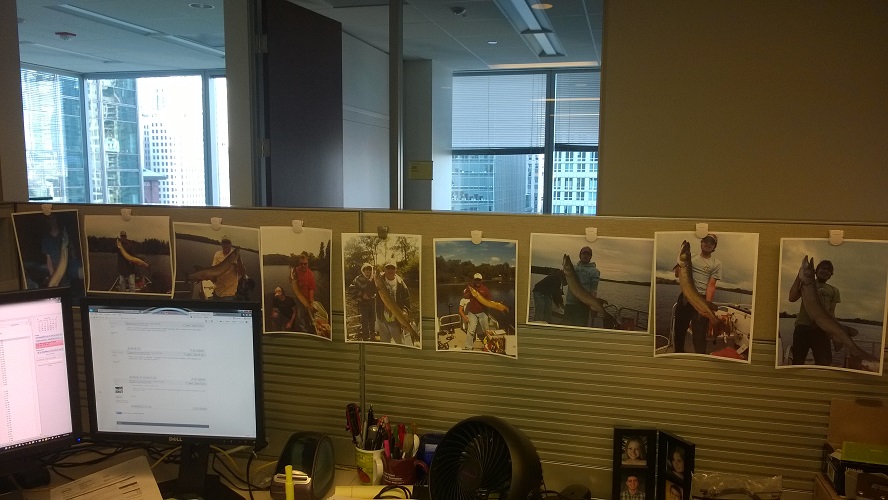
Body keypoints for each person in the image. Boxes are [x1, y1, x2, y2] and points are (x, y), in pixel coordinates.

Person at [672, 234, 722, 354]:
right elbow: (677, 275)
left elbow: (711, 285)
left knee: (699, 337)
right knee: (679, 330)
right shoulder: (691, 258)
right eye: (706, 241)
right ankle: (678, 354)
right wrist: (679, 263)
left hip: (702, 298)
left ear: (714, 247)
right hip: (685, 297)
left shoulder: (716, 263)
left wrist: (706, 306)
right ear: (701, 243)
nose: (708, 244)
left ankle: (700, 358)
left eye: (712, 242)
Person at [788, 260, 839, 365]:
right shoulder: (805, 283)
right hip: (802, 326)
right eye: (823, 268)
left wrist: (832, 330)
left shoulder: (834, 290)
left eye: (828, 270)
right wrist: (799, 276)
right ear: (815, 271)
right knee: (797, 361)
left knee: (824, 364)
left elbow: (831, 312)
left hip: (822, 329)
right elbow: (791, 298)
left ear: (830, 275)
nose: (825, 271)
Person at [375, 260, 411, 345]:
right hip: (382, 317)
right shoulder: (379, 280)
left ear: (396, 270)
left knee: (400, 343)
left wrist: (405, 311)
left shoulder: (401, 284)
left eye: (392, 268)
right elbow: (368, 290)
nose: (390, 270)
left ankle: (412, 334)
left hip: (396, 319)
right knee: (385, 344)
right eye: (388, 268)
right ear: (384, 269)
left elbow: (407, 300)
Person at [563, 246, 601, 327]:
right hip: (570, 304)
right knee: (566, 327)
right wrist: (562, 275)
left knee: (579, 328)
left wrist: (593, 306)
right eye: (584, 253)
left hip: (583, 305)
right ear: (580, 255)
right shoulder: (573, 268)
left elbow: (594, 290)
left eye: (588, 254)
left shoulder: (594, 271)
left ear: (590, 257)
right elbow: (564, 283)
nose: (585, 256)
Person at [347, 263, 377, 341]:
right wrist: (362, 294)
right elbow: (350, 289)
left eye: (370, 270)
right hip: (363, 304)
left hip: (372, 303)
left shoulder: (374, 279)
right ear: (363, 270)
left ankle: (373, 337)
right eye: (366, 270)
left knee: (373, 320)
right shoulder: (358, 279)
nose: (368, 271)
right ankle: (365, 337)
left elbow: (377, 289)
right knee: (364, 321)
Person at [462, 273, 491, 350]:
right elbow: (465, 296)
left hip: (483, 312)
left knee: (486, 330)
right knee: (471, 330)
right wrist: (470, 293)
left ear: (481, 280)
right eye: (476, 280)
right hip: (472, 313)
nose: (477, 281)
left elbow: (489, 300)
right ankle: (468, 346)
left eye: (479, 280)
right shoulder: (470, 288)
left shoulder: (485, 289)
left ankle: (489, 345)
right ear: (474, 280)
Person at [211, 235, 245, 300]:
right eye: (224, 242)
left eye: (228, 243)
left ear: (231, 244)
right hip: (217, 290)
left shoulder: (235, 257)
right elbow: (213, 269)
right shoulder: (217, 254)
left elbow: (242, 273)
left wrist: (239, 261)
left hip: (229, 294)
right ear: (221, 244)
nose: (226, 245)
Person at [292, 253, 317, 333]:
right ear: (299, 263)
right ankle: (303, 330)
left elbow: (311, 289)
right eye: (301, 264)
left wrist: (311, 300)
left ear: (308, 263)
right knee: (300, 315)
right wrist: (291, 277)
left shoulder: (310, 274)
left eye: (305, 264)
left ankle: (310, 325)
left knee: (309, 313)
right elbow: (291, 280)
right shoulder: (296, 270)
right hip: (299, 297)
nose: (303, 265)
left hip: (307, 297)